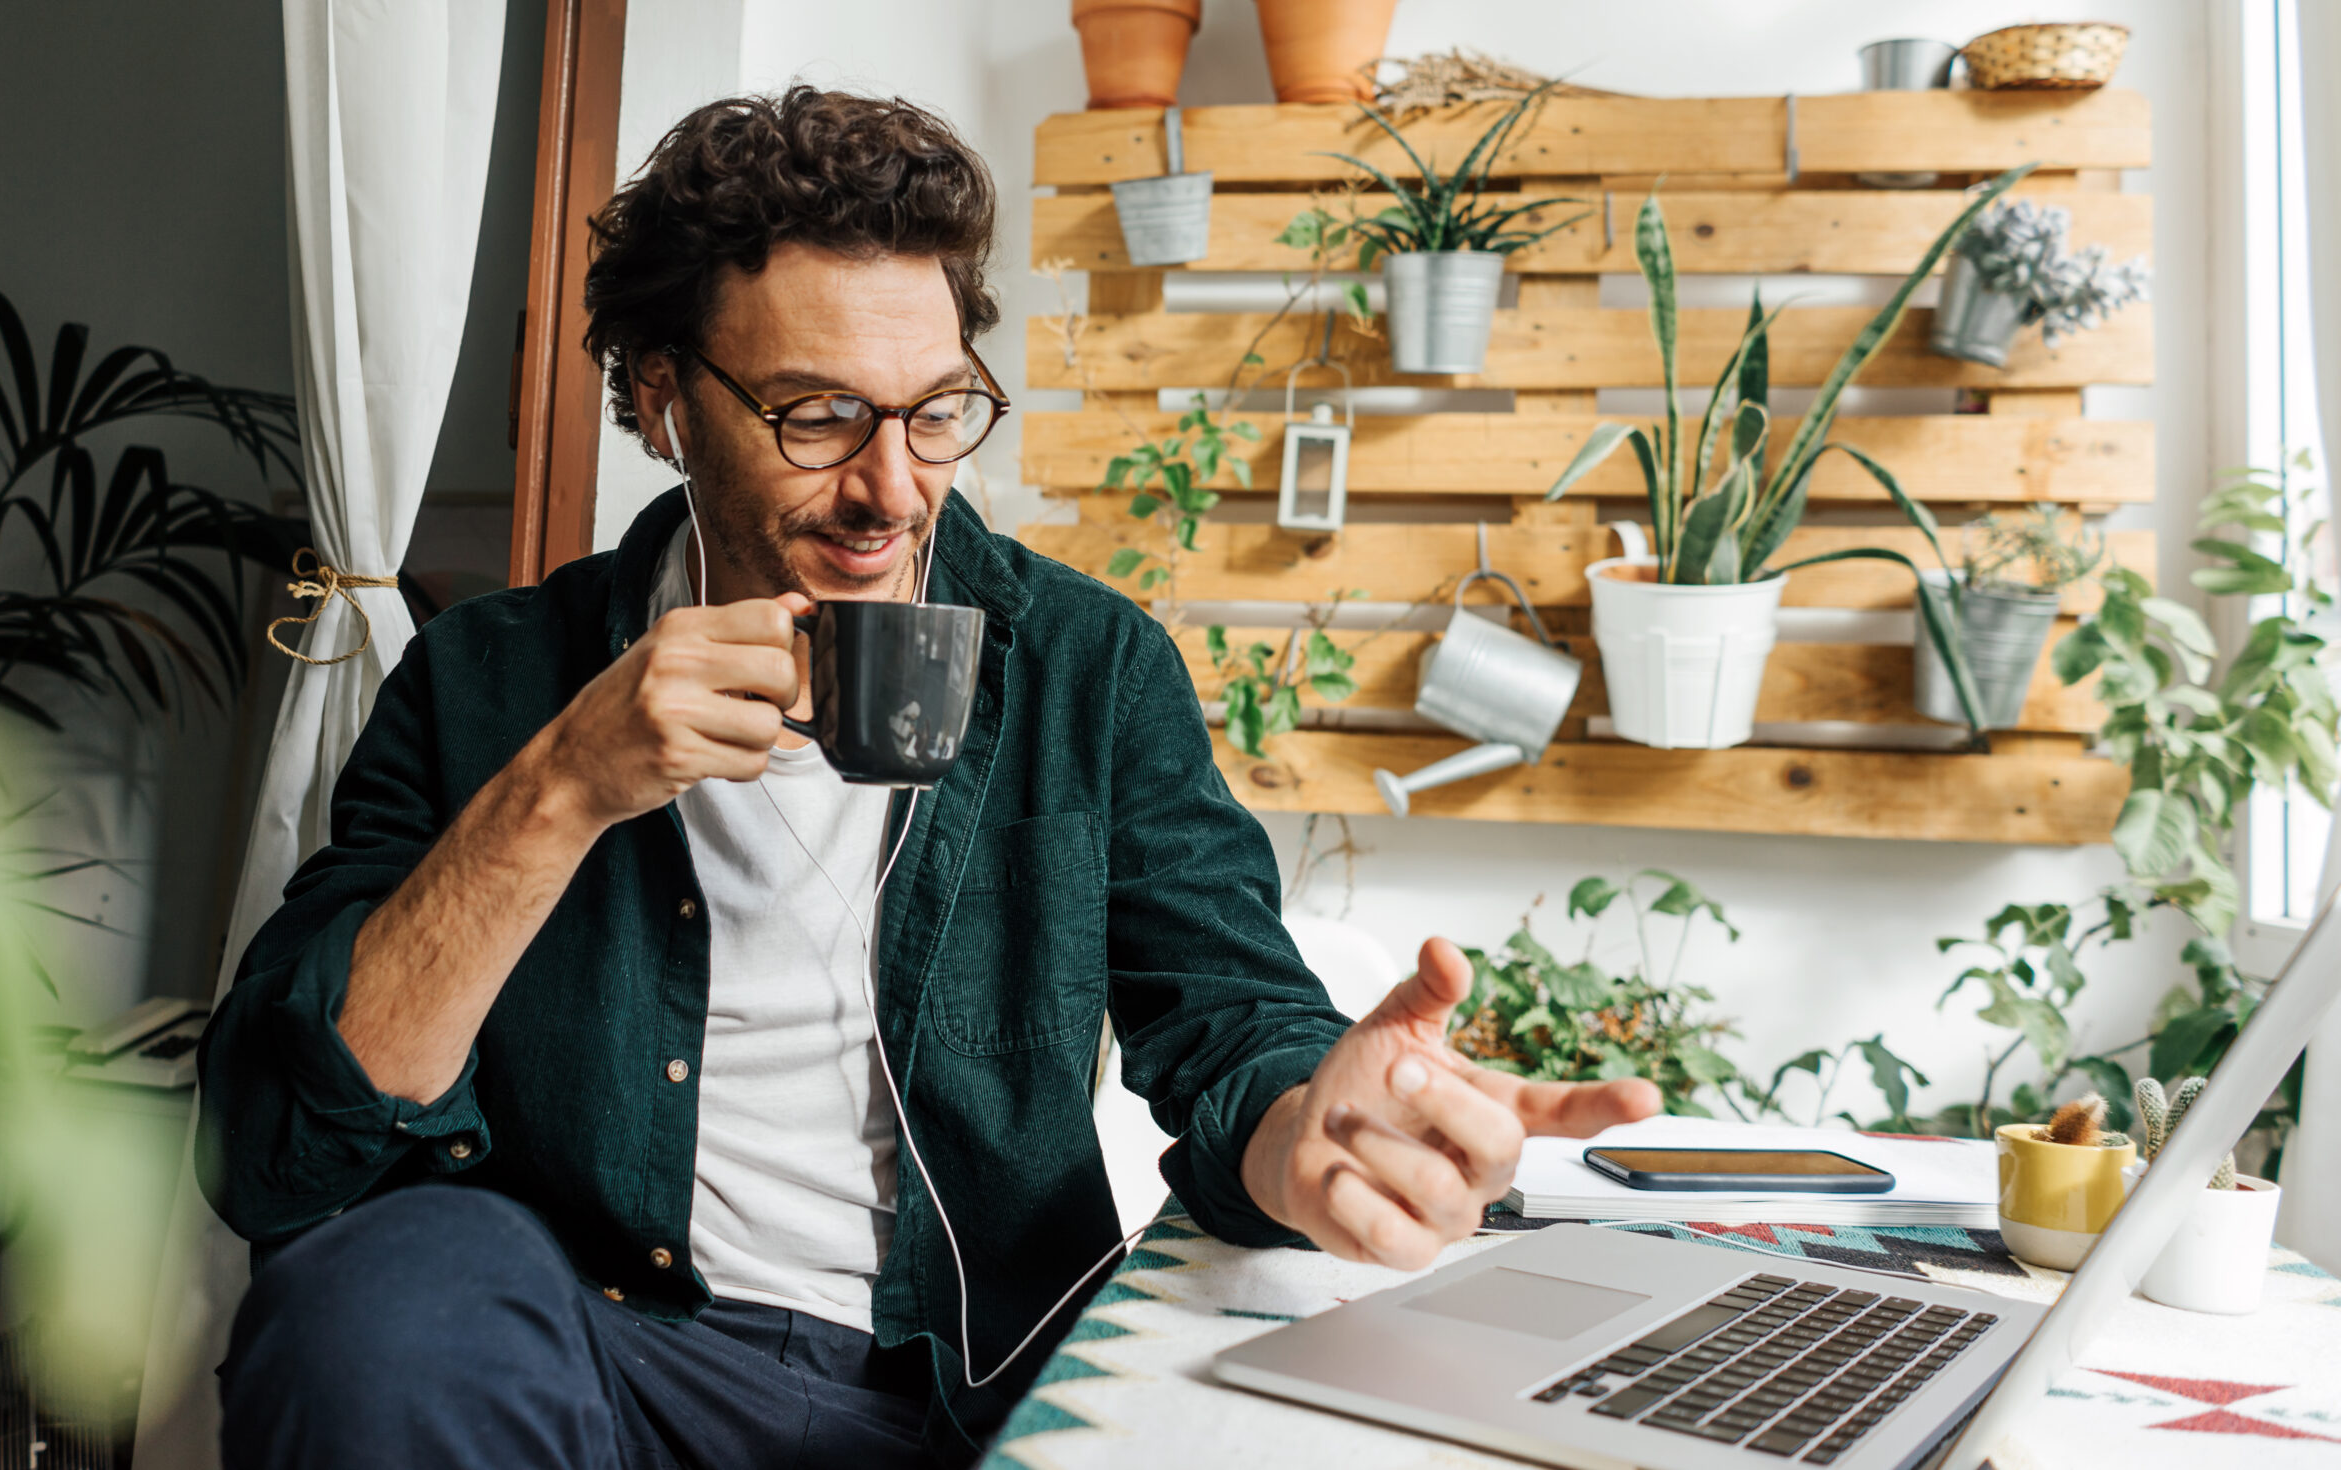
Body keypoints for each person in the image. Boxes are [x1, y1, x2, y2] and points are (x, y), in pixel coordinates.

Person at [198, 86, 1659, 1470]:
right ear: (661, 401)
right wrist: (568, 784)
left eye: (938, 409)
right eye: (817, 414)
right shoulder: (491, 683)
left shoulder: (1089, 669)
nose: (892, 488)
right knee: (376, 1293)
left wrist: (1314, 1132)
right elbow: (281, 1150)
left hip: (958, 1384)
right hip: (599, 1357)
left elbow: (1232, 1032)